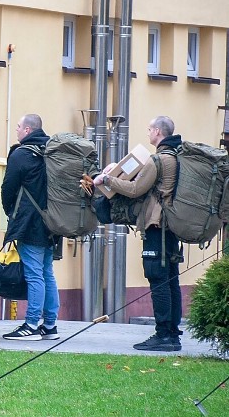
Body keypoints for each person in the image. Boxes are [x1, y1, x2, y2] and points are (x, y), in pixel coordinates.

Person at [93, 116, 182, 352]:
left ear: (157, 132)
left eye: (149, 129)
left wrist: (107, 179)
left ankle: (163, 335)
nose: (148, 133)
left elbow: (135, 189)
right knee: (172, 279)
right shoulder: (176, 157)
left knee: (158, 278)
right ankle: (172, 333)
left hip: (156, 226)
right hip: (172, 226)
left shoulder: (158, 160)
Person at [0, 114, 60, 341]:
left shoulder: (22, 154)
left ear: (27, 130)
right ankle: (50, 324)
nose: (16, 130)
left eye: (18, 126)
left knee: (35, 274)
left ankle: (32, 324)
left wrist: (10, 213)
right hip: (52, 223)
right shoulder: (52, 152)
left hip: (30, 223)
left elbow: (8, 188)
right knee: (46, 273)